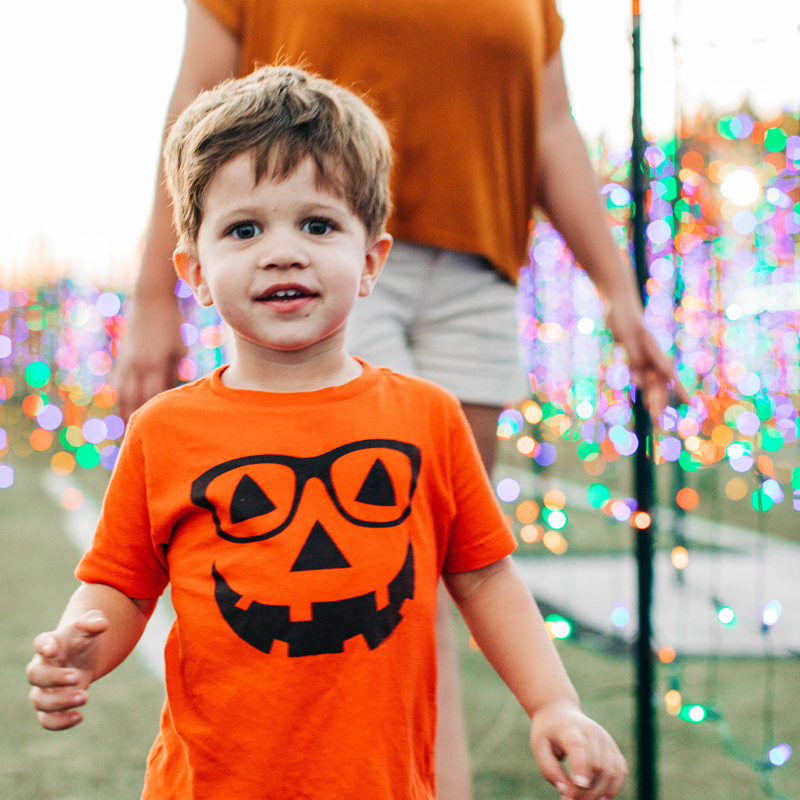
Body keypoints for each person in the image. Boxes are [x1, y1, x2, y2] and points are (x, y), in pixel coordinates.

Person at [114, 2, 687, 796]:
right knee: (334, 556)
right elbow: (194, 111)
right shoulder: (222, 341)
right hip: (324, 247)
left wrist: (619, 291)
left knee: (420, 572)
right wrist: (153, 294)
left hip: (474, 264)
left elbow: (551, 126)